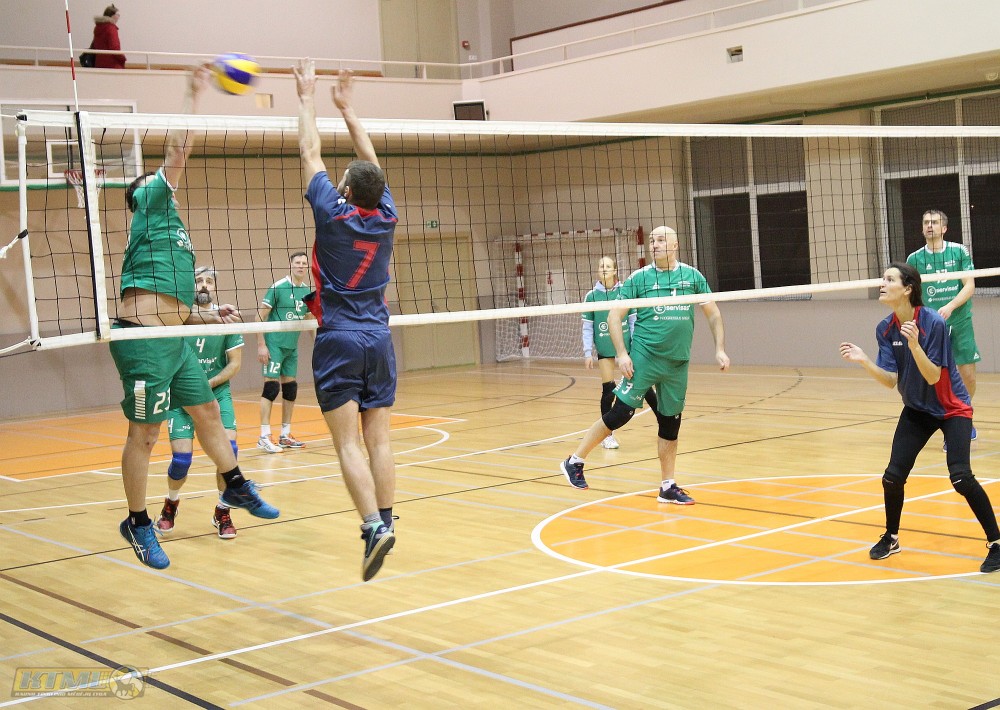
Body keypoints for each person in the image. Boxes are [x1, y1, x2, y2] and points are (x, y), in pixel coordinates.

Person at [111, 67, 278, 569]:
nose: (167, 181)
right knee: (145, 435)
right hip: (143, 341)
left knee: (206, 411)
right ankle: (137, 522)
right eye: (157, 180)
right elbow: (178, 150)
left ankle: (236, 484)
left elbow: (172, 295)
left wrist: (204, 313)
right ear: (142, 196)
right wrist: (191, 94)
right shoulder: (151, 202)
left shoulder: (174, 229)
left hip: (176, 338)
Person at [294, 58, 398, 581]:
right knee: (378, 439)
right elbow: (372, 164)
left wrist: (306, 96)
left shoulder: (332, 213)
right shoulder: (387, 216)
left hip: (338, 337)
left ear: (348, 192)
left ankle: (372, 527)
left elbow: (309, 151)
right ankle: (388, 519)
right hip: (379, 338)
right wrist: (349, 110)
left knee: (347, 442)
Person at [839, 262, 999, 573]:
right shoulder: (885, 328)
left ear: (908, 289)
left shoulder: (933, 323)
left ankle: (996, 543)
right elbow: (890, 380)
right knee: (892, 477)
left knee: (961, 477)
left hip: (951, 408)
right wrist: (865, 361)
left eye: (889, 279)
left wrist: (914, 346)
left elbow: (932, 376)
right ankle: (891, 538)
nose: (882, 284)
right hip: (917, 409)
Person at [559, 226, 730, 502]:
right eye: (652, 241)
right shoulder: (639, 279)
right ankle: (574, 461)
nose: (655, 245)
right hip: (644, 358)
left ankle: (667, 486)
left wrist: (719, 349)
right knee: (620, 413)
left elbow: (713, 314)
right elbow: (614, 317)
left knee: (670, 424)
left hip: (677, 363)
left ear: (675, 245)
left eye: (661, 240)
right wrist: (622, 354)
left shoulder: (692, 276)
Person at [155, 266, 245, 540]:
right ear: (190, 285)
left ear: (214, 287)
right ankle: (171, 504)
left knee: (229, 451)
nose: (204, 285)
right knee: (181, 461)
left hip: (216, 394)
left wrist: (206, 386)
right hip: (181, 396)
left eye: (209, 281)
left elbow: (235, 364)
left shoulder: (226, 318)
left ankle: (222, 511)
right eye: (198, 280)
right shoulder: (178, 318)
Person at [905, 209, 980, 444]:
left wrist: (950, 306)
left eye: (935, 222)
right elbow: (910, 293)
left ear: (944, 228)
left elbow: (969, 286)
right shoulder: (914, 259)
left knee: (968, 375)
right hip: (930, 326)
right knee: (934, 378)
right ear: (922, 228)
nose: (930, 225)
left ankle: (964, 417)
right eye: (926, 222)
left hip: (959, 321)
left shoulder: (959, 251)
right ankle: (947, 424)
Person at [581, 256, 649, 450]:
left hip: (626, 349)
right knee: (608, 390)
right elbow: (587, 327)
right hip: (604, 348)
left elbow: (633, 322)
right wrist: (588, 352)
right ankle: (607, 435)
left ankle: (663, 421)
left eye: (608, 266)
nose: (604, 269)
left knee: (644, 387)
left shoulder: (624, 292)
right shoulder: (591, 296)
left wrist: (635, 347)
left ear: (615, 270)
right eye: (601, 266)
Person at [256, 252, 312, 453]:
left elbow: (309, 320)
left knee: (290, 389)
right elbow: (259, 316)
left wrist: (319, 344)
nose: (301, 266)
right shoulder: (278, 287)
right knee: (271, 388)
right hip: (274, 344)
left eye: (304, 263)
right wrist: (261, 345)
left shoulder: (306, 291)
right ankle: (264, 436)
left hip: (292, 345)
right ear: (291, 265)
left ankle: (285, 434)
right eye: (297, 263)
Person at [90, 4, 126, 69]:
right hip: (112, 64)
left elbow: (95, 45)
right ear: (112, 15)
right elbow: (114, 47)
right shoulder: (111, 28)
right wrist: (123, 58)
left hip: (99, 63)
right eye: (117, 15)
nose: (118, 17)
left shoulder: (98, 27)